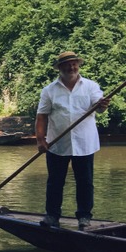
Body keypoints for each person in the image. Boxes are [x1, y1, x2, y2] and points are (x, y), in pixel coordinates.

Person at [35, 51, 109, 230]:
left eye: (74, 64)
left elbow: (99, 107)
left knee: (85, 182)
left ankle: (84, 217)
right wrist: (40, 140)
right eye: (67, 65)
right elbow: (42, 116)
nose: (71, 67)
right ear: (60, 68)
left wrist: (102, 105)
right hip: (57, 144)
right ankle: (52, 216)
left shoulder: (91, 86)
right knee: (55, 182)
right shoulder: (49, 91)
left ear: (78, 65)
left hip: (84, 143)